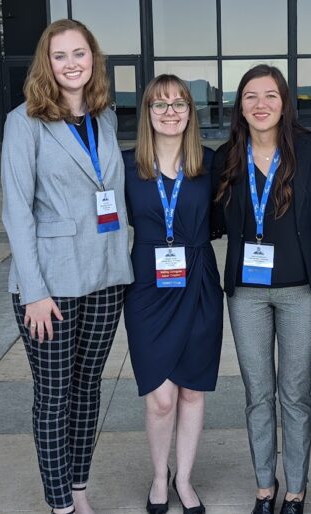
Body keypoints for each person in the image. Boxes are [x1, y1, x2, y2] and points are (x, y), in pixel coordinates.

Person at [1, 19, 134, 514]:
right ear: (46, 63)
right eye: (60, 55)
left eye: (80, 53)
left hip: (104, 277)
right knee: (54, 397)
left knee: (88, 390)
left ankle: (80, 489)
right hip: (50, 284)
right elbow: (17, 210)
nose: (72, 63)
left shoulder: (103, 118)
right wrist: (34, 291)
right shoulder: (25, 122)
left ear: (93, 60)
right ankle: (59, 504)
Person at [212, 65, 311, 514]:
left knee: (295, 394)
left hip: (301, 292)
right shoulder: (225, 156)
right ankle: (266, 487)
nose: (260, 105)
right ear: (239, 106)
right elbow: (213, 218)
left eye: (270, 96)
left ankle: (296, 491)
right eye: (250, 97)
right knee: (257, 393)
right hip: (247, 294)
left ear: (284, 102)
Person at [123, 74, 223, 514]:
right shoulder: (125, 166)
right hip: (147, 285)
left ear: (191, 112)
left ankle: (184, 479)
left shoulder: (211, 163)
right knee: (161, 396)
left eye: (179, 104)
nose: (170, 112)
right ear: (147, 113)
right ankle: (158, 476)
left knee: (192, 391)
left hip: (199, 281)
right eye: (160, 105)